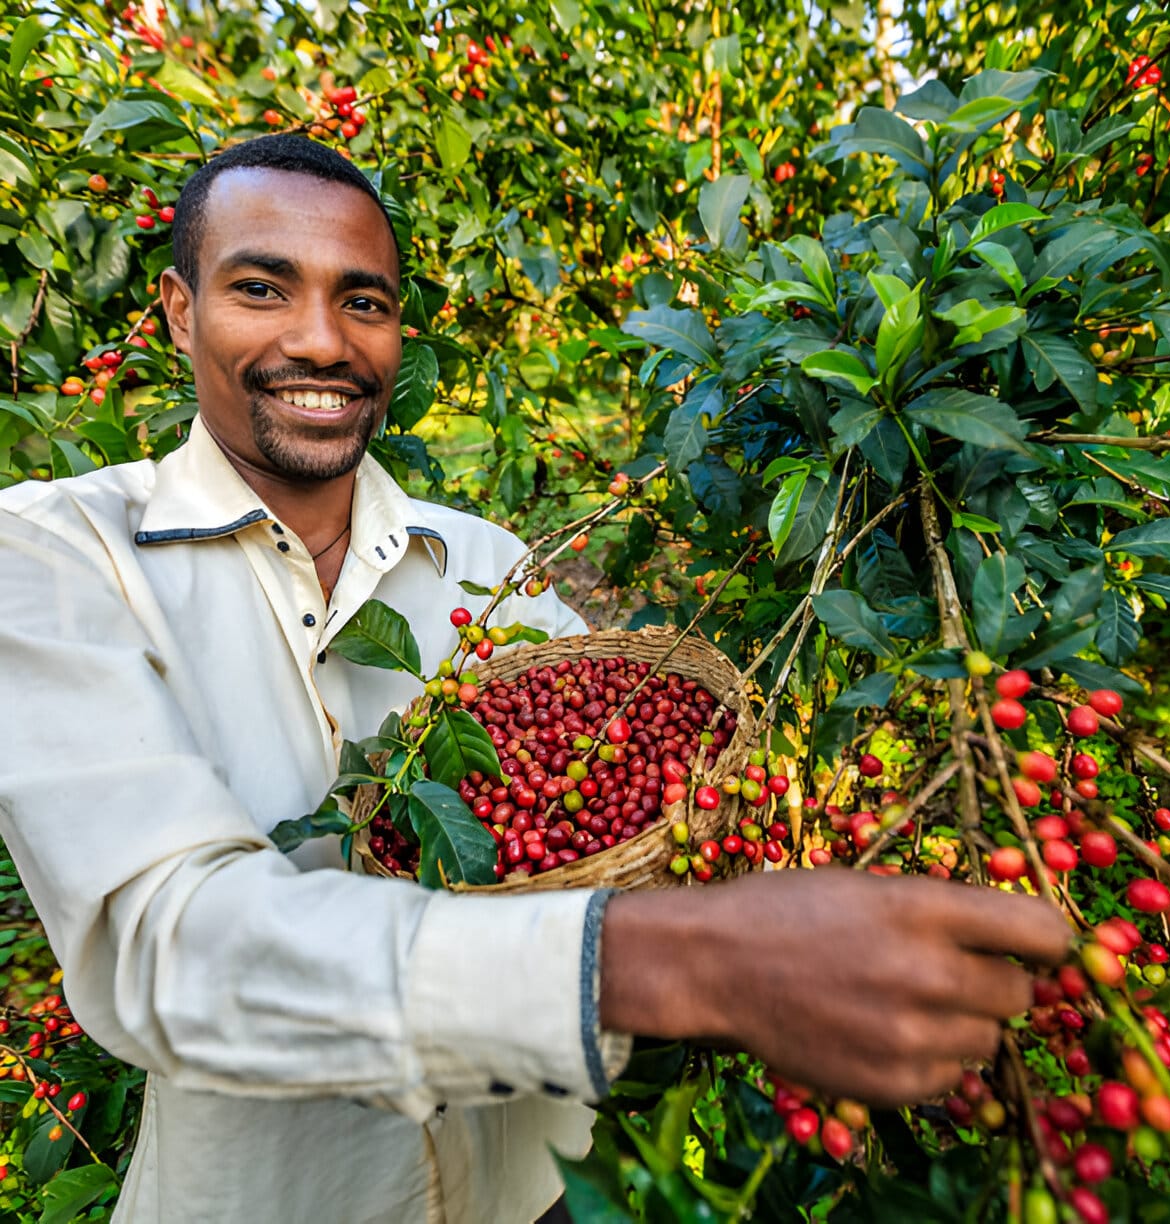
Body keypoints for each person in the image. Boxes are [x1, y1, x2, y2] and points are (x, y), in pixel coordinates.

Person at [0, 135, 1070, 1223]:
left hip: (541, 1187)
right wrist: (683, 964)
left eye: (363, 303)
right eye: (263, 288)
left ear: (397, 330)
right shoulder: (53, 554)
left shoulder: (481, 562)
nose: (321, 340)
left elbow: (632, 770)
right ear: (180, 310)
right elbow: (169, 940)